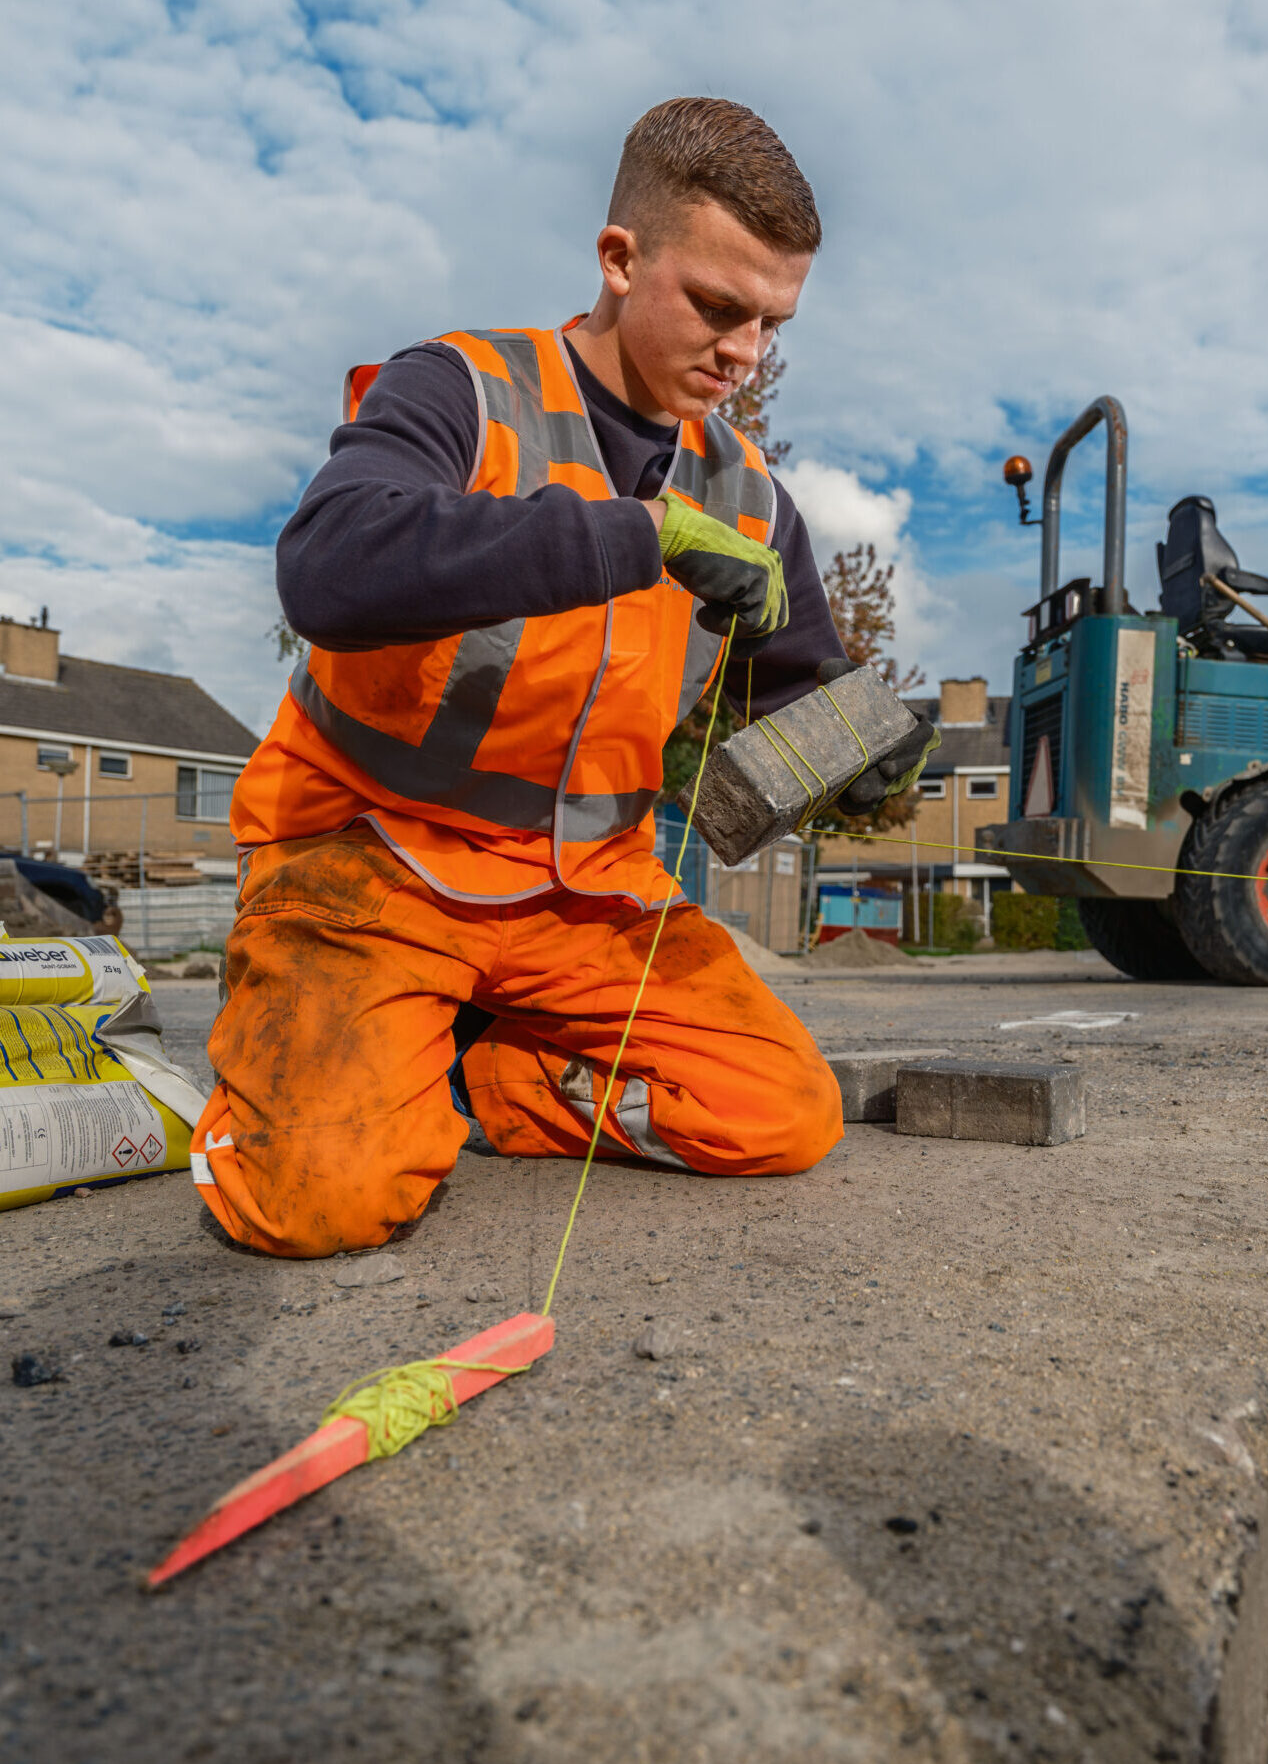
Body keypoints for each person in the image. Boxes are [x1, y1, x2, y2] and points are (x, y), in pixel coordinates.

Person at [189, 96, 936, 1259]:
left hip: (584, 898)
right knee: (322, 1200)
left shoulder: (751, 498)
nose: (745, 354)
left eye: (772, 325)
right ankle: (291, 1093)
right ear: (620, 258)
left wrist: (866, 753)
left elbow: (793, 694)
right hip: (368, 860)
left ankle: (479, 1082)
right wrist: (634, 537)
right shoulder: (459, 388)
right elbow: (326, 569)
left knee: (782, 1113)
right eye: (719, 308)